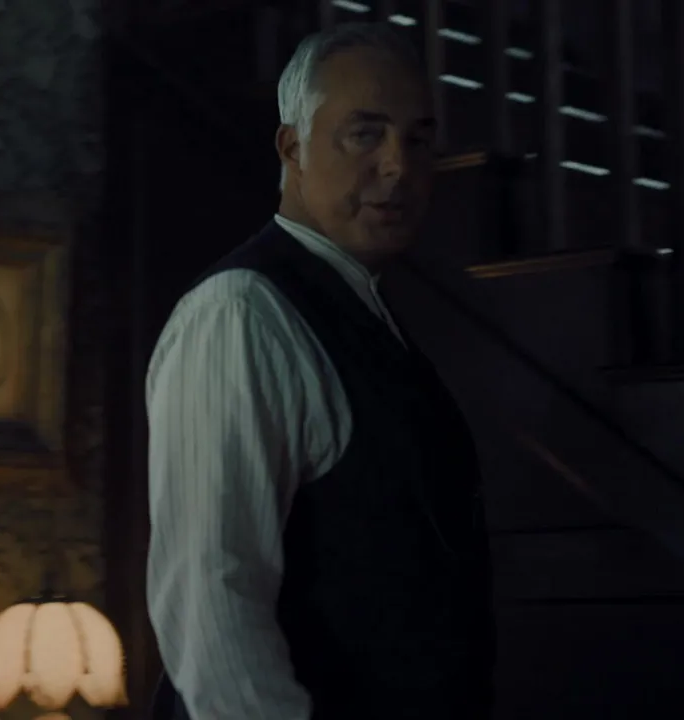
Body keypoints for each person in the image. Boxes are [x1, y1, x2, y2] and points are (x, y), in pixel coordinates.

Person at [146, 22, 494, 720]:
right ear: (292, 148)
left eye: (417, 140)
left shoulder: (367, 314)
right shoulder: (241, 314)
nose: (398, 166)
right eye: (365, 134)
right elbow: (214, 613)